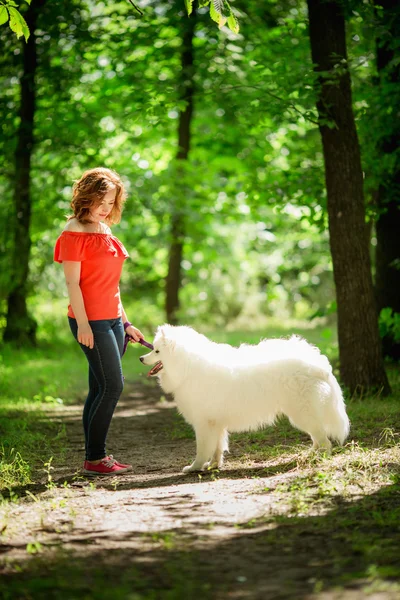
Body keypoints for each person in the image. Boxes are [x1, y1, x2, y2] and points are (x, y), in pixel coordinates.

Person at [54, 167, 143, 476]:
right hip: (90, 320)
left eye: (111, 202)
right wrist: (83, 325)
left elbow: (111, 284)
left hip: (114, 320)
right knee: (113, 386)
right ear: (86, 197)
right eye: (101, 201)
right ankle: (95, 458)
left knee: (98, 388)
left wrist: (127, 322)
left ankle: (94, 457)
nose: (106, 209)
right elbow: (73, 285)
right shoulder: (73, 231)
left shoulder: (106, 231)